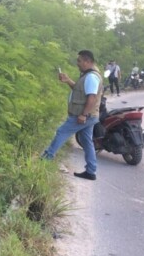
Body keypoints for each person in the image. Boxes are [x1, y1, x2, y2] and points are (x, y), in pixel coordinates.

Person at [40, 50, 105, 180]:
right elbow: (80, 91)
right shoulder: (89, 75)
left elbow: (91, 98)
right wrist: (68, 80)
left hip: (83, 116)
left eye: (79, 61)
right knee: (87, 141)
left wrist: (83, 115)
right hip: (90, 116)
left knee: (61, 132)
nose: (78, 64)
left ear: (87, 61)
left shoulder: (91, 77)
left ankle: (45, 159)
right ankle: (91, 171)